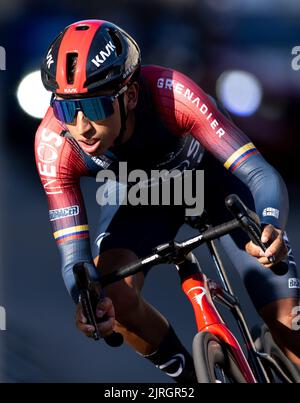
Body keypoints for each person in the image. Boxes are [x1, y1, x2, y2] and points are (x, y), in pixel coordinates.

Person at [35, 19, 300, 382]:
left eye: (95, 108)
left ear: (129, 95)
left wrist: (270, 225)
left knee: (288, 321)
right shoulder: (54, 143)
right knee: (112, 294)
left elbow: (261, 175)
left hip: (213, 182)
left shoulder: (171, 93)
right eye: (67, 109)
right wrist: (87, 302)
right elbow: (75, 260)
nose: (81, 126)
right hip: (143, 195)